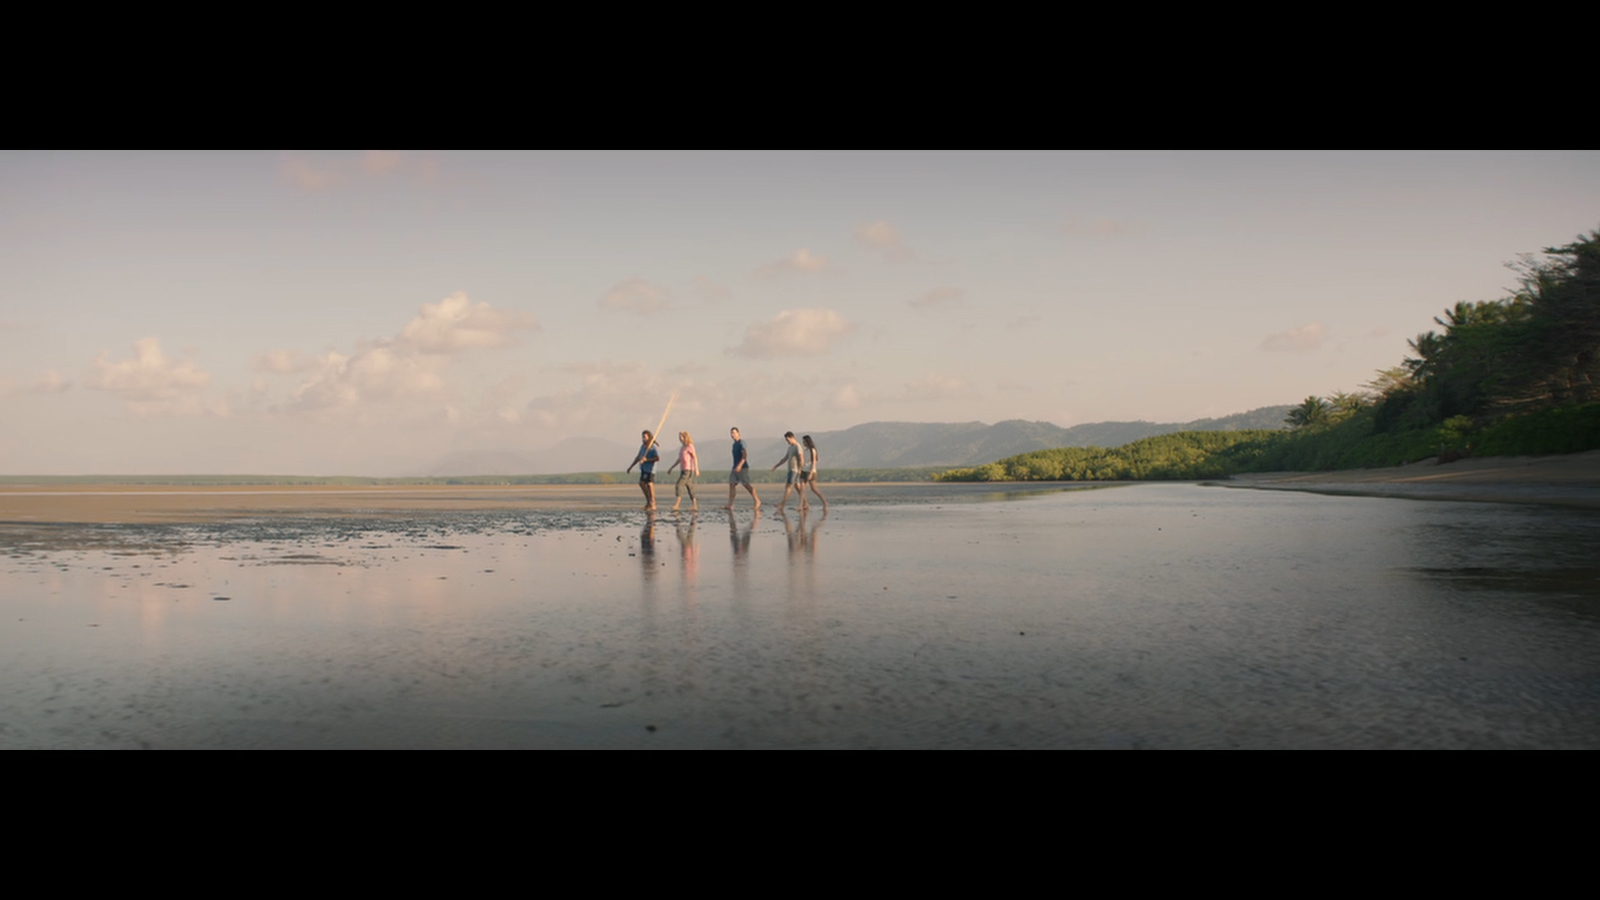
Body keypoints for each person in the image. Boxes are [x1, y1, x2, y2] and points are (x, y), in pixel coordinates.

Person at [723, 427, 760, 510]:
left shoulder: (741, 443)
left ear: (738, 433)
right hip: (734, 467)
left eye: (734, 433)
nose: (732, 435)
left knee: (746, 484)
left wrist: (740, 465)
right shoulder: (734, 444)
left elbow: (745, 455)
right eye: (731, 433)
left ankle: (757, 501)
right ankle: (730, 504)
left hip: (742, 468)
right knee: (732, 484)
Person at [627, 429, 662, 511]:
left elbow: (658, 458)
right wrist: (631, 466)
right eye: (642, 437)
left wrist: (647, 460)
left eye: (645, 437)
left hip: (651, 469)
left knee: (650, 485)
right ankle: (648, 501)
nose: (643, 439)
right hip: (644, 469)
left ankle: (653, 502)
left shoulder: (653, 447)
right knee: (642, 483)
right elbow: (638, 457)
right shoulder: (643, 447)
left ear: (649, 437)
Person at [666, 430, 700, 512]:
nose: (680, 439)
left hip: (688, 470)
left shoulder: (690, 446)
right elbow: (680, 459)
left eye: (681, 437)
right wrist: (672, 467)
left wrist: (697, 469)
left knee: (679, 485)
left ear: (685, 437)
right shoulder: (682, 447)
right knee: (689, 487)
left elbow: (694, 457)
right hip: (683, 469)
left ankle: (677, 504)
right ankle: (694, 504)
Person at [770, 431, 804, 511]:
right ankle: (805, 504)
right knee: (798, 488)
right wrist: (776, 466)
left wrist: (800, 470)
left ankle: (782, 504)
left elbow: (801, 459)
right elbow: (785, 458)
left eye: (788, 440)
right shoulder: (790, 448)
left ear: (792, 438)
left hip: (794, 470)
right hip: (790, 470)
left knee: (788, 487)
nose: (787, 442)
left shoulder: (797, 447)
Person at [801, 434, 827, 510]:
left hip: (810, 471)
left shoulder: (813, 450)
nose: (804, 443)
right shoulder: (805, 451)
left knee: (814, 488)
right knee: (802, 488)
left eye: (805, 442)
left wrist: (811, 473)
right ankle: (804, 504)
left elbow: (814, 462)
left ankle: (824, 502)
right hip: (804, 470)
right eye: (803, 442)